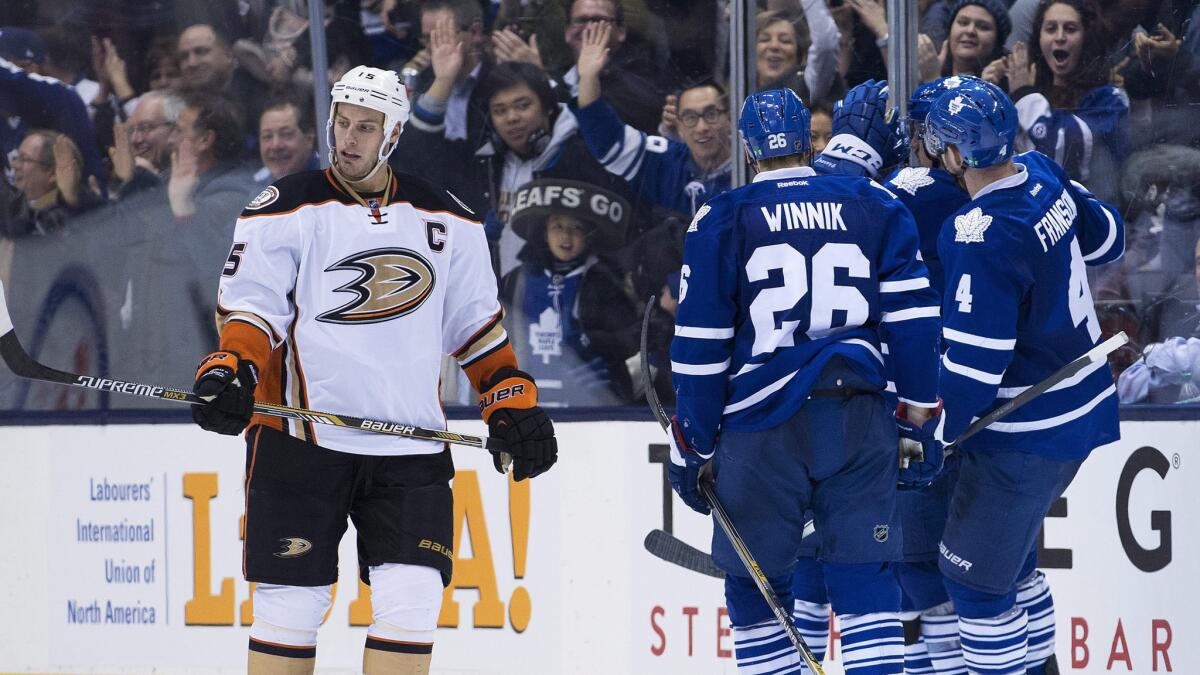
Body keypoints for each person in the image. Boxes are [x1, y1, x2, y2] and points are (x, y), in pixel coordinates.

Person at [189, 65, 557, 675]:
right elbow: (253, 312)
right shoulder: (285, 207)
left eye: (366, 127)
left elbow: (477, 332)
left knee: (411, 606)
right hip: (301, 442)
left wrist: (511, 402)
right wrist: (232, 371)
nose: (349, 138)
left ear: (393, 135)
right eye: (341, 123)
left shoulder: (449, 220)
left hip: (409, 449)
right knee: (290, 609)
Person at [667, 87, 941, 674]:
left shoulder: (721, 216)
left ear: (746, 148)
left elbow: (699, 350)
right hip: (860, 420)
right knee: (867, 582)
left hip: (762, 431)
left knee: (755, 589)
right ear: (808, 142)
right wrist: (920, 416)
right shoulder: (873, 201)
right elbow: (915, 321)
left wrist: (693, 444)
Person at [922, 78, 1124, 675]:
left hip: (1027, 433)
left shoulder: (977, 232)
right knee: (1011, 569)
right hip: (1080, 406)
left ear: (956, 155)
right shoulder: (1042, 171)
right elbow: (1108, 238)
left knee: (976, 586)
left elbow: (972, 368)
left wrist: (928, 433)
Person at [499, 178, 638, 406]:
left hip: (591, 405)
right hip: (525, 405)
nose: (566, 236)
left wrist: (597, 346)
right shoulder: (516, 280)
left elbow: (631, 337)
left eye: (576, 227)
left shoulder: (604, 281)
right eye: (558, 226)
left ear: (589, 235)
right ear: (545, 233)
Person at [575, 23, 731, 218]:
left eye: (711, 115)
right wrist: (588, 78)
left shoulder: (754, 164)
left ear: (729, 118)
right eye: (690, 118)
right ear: (679, 127)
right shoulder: (667, 161)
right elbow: (607, 141)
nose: (702, 127)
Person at [1006, 0, 1128, 200]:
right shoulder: (1029, 93)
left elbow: (1067, 151)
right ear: (1039, 38)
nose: (1060, 37)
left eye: (1070, 29)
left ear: (1086, 38)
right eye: (1050, 29)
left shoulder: (1110, 99)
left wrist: (1023, 95)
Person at [754, 7, 840, 104]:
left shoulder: (810, 90)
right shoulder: (736, 93)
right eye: (765, 39)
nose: (774, 46)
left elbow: (825, 45)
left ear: (799, 53)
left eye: (785, 41)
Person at [253, 97, 319, 186]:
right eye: (267, 136)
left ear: (309, 139)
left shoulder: (330, 181)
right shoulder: (254, 187)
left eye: (286, 134)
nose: (275, 145)